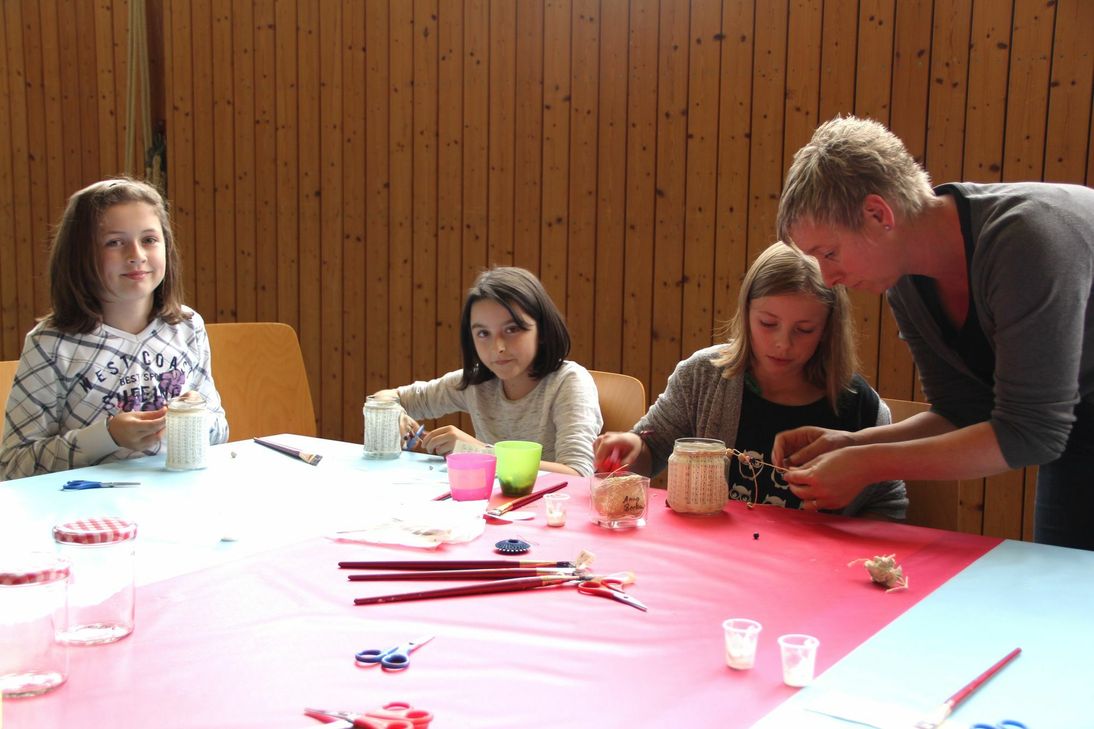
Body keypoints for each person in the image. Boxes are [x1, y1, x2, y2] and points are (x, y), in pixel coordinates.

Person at [773, 114, 1094, 550]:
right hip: (1077, 417)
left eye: (829, 253)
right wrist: (852, 444)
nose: (828, 279)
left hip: (1058, 421)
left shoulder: (1025, 240)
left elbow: (1031, 432)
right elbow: (961, 411)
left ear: (877, 214)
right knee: (1066, 588)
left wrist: (867, 464)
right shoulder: (905, 281)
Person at [593, 242, 907, 518]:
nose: (783, 343)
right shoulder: (705, 376)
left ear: (827, 329)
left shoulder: (860, 406)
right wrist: (632, 448)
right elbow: (652, 448)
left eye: (804, 330)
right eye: (768, 324)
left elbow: (887, 502)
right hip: (720, 561)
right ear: (745, 315)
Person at [1, 178, 228, 480]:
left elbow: (220, 432)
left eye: (149, 239)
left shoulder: (188, 327)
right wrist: (106, 437)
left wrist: (192, 417)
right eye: (114, 242)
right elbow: (14, 465)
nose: (136, 255)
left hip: (176, 498)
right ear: (80, 255)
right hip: (83, 510)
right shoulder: (51, 344)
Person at [374, 266, 602, 476]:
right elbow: (385, 397)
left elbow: (579, 474)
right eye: (483, 334)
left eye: (512, 329)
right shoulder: (477, 382)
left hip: (553, 514)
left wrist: (477, 452)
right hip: (487, 509)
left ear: (541, 331)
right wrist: (395, 415)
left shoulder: (569, 382)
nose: (498, 348)